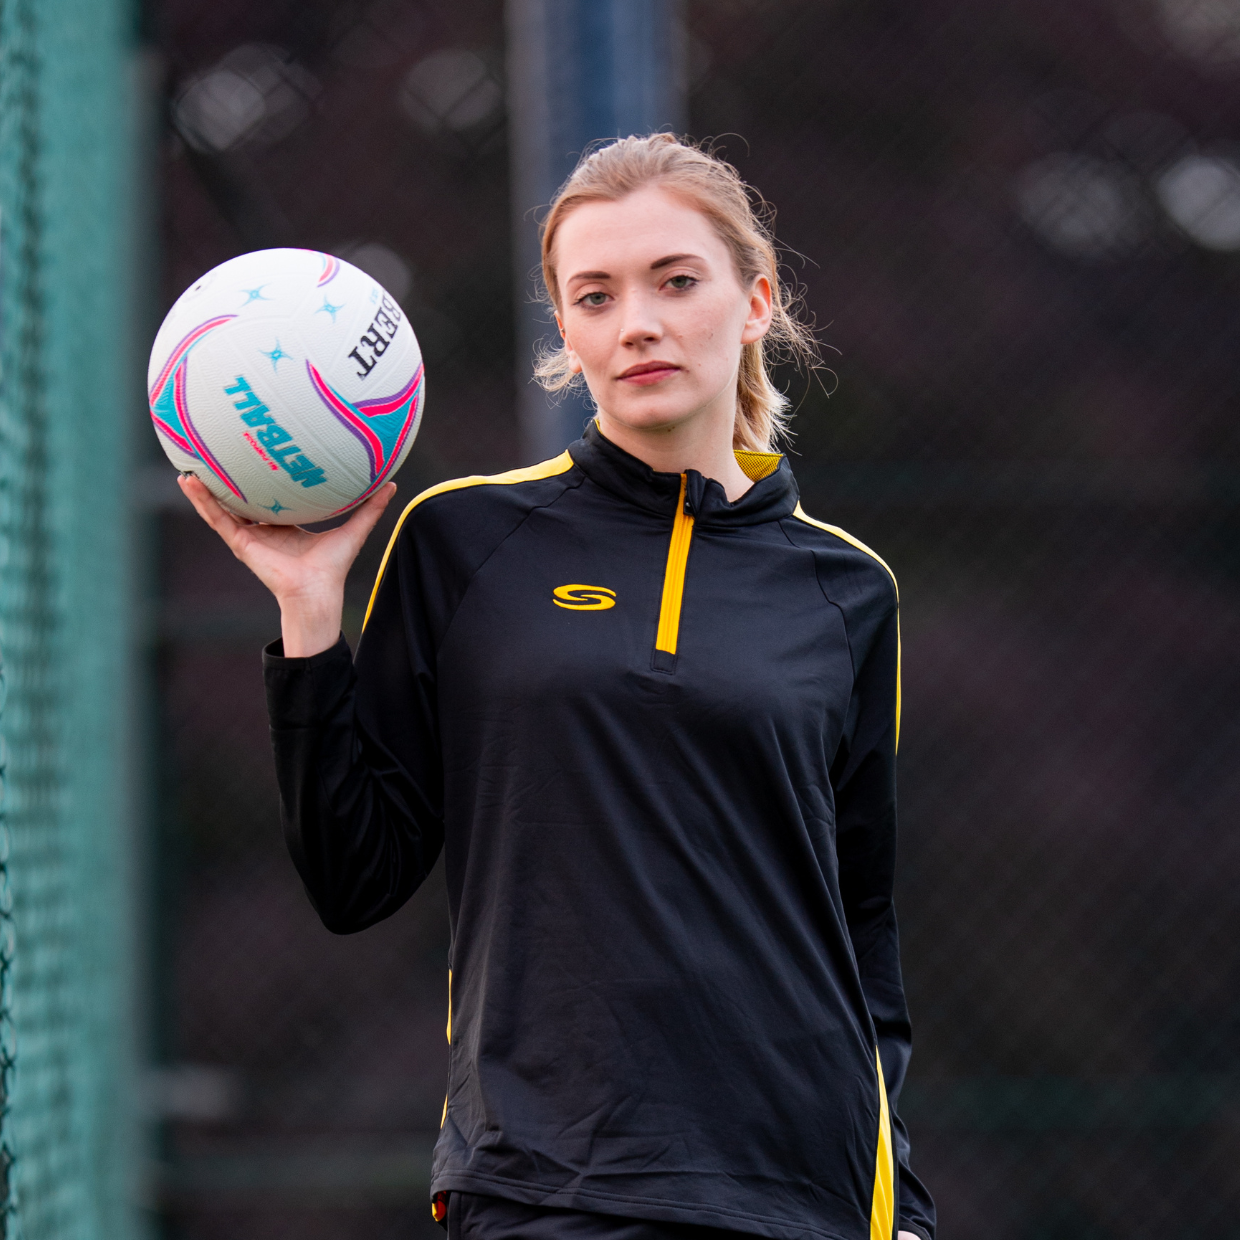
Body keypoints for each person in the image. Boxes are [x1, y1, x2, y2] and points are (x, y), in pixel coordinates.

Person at [180, 133, 936, 1240]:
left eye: (676, 281)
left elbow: (858, 924)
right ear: (566, 331)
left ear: (757, 299)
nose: (637, 320)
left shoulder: (849, 592)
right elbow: (354, 875)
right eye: (594, 295)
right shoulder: (461, 542)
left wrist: (899, 1205)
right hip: (542, 1180)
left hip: (797, 1189)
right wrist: (307, 613)